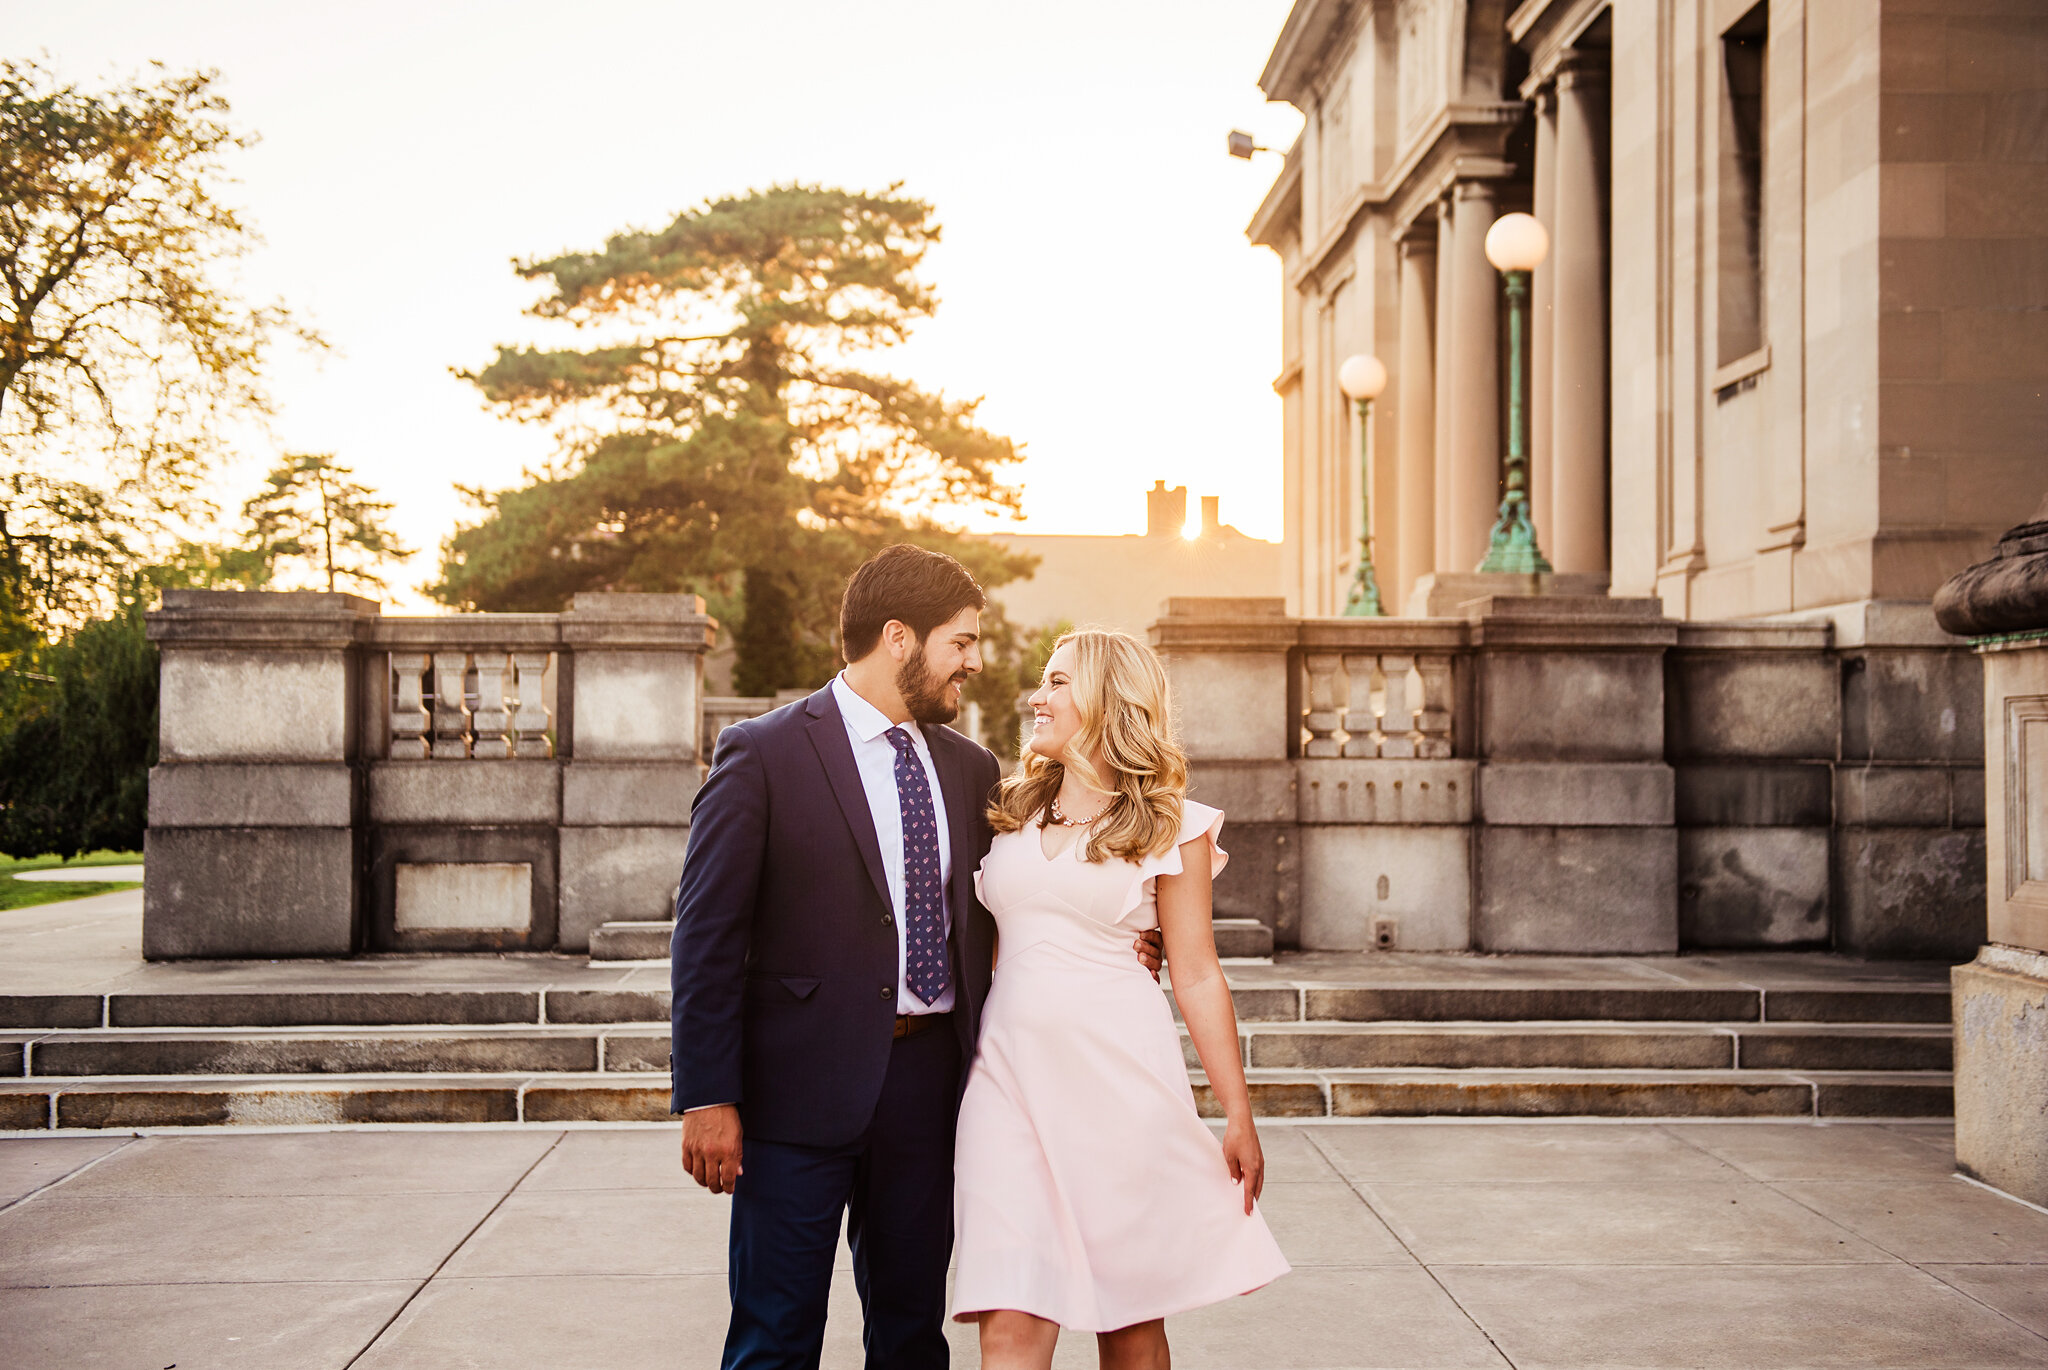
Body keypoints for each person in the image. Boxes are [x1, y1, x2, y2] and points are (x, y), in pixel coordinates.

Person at [669, 545, 1161, 1369]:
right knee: (773, 1336)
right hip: (794, 1095)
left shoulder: (972, 769)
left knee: (909, 1334)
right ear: (900, 638)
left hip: (930, 1091)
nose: (975, 661)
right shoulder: (763, 753)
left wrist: (1124, 936)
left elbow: (1024, 888)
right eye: (960, 642)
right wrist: (707, 1095)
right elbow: (705, 936)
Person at [951, 627, 1289, 1369]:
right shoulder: (1008, 811)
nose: (1036, 697)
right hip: (1004, 1081)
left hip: (1118, 1083)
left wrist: (1237, 1111)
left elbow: (1197, 972)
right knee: (1008, 1315)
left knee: (1129, 1324)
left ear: (1109, 698)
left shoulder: (1174, 826)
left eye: (1057, 682)